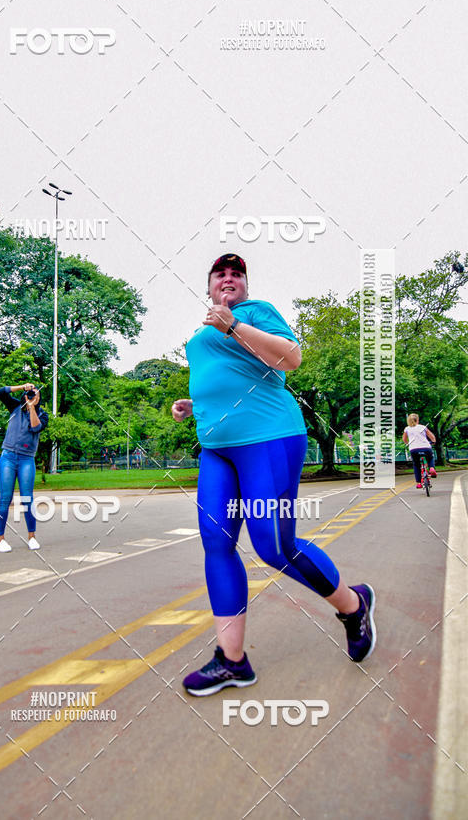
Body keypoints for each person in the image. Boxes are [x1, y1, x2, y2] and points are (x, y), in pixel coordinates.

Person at [172, 254, 376, 696]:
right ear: (208, 287)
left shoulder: (254, 313)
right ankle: (232, 661)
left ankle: (353, 605)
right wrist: (194, 407)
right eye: (220, 274)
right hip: (216, 449)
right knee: (216, 543)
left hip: (268, 439)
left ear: (244, 285)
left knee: (273, 545)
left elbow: (290, 358)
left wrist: (232, 326)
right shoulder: (200, 334)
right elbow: (221, 379)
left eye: (236, 274)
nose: (229, 278)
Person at [0, 383, 49, 553]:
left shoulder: (42, 414)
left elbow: (35, 427)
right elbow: (0, 392)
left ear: (39, 398)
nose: (33, 395)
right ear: (25, 394)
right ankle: (0, 540)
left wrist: (32, 407)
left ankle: (32, 537)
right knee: (5, 498)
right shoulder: (15, 407)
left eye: (36, 394)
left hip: (27, 459)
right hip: (8, 457)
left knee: (27, 499)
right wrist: (22, 387)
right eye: (31, 393)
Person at [402, 413, 437, 488]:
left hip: (413, 449)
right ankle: (431, 468)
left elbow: (404, 439)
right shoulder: (423, 427)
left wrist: (408, 443)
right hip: (426, 447)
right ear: (417, 420)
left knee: (416, 464)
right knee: (430, 458)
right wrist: (433, 441)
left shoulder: (407, 429)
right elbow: (432, 436)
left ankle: (418, 483)